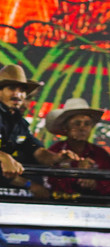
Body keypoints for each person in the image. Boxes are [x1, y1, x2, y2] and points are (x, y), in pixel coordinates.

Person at [0, 65, 79, 195]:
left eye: (22, 90)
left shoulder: (19, 123)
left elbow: (36, 150)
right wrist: (3, 157)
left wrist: (57, 157)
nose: (18, 95)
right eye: (12, 88)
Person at [43, 98, 110, 197]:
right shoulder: (55, 151)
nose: (82, 128)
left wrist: (94, 184)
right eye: (77, 124)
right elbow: (50, 185)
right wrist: (79, 174)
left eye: (87, 124)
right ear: (65, 127)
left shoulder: (100, 154)